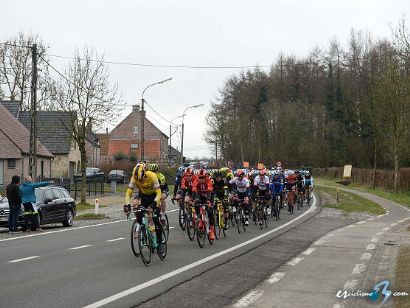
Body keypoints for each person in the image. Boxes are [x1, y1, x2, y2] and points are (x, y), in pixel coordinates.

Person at [125, 163, 165, 254]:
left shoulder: (152, 176)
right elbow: (128, 193)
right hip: (144, 196)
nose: (141, 182)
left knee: (155, 218)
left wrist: (154, 204)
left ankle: (160, 242)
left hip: (155, 196)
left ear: (145, 173)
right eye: (139, 181)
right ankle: (143, 229)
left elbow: (159, 194)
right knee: (139, 212)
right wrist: (127, 204)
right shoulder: (134, 178)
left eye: (141, 179)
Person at [192, 169, 215, 240]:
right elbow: (194, 191)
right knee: (196, 205)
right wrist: (194, 200)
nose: (201, 179)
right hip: (200, 196)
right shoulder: (195, 181)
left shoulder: (209, 181)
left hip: (209, 196)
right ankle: (200, 219)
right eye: (200, 177)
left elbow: (209, 192)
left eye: (203, 177)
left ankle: (211, 231)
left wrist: (208, 201)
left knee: (210, 212)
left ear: (205, 177)